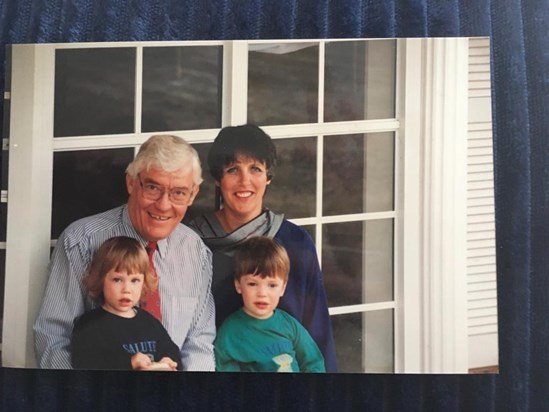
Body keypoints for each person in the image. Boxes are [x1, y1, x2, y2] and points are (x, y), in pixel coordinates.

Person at [34, 134, 216, 370]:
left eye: (178, 193)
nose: (163, 204)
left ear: (192, 194)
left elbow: (199, 343)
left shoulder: (195, 251)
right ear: (131, 183)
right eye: (153, 187)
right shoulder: (80, 240)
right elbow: (53, 339)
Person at [188, 124, 337, 372]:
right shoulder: (192, 243)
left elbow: (318, 334)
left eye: (255, 169)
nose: (245, 181)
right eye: (233, 170)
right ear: (217, 179)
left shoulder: (295, 242)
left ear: (268, 177)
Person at [215, 236, 326, 372]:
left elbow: (313, 363)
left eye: (272, 285)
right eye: (252, 284)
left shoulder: (289, 325)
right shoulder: (230, 333)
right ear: (238, 285)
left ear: (283, 288)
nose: (262, 293)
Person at [71, 236, 181, 371]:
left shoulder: (150, 322)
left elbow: (172, 351)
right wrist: (129, 362)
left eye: (134, 280)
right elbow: (85, 363)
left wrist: (168, 360)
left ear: (144, 282)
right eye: (117, 280)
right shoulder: (89, 325)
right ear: (101, 280)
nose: (126, 290)